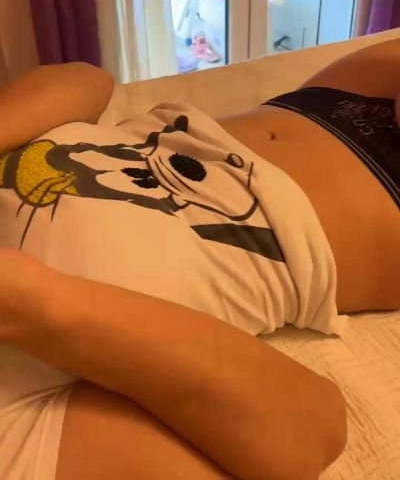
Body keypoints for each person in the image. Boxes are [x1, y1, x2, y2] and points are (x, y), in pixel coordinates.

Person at [0, 37, 398, 480]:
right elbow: (312, 429)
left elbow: (86, 81)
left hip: (311, 105)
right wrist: (30, 301)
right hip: (378, 200)